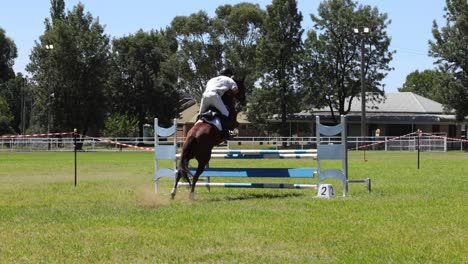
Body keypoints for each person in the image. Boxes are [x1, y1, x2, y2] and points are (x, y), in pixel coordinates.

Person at [198, 69, 238, 139]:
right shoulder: (228, 79)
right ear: (228, 75)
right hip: (214, 96)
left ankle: (194, 127)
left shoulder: (211, 79)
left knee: (200, 115)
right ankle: (226, 133)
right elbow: (235, 89)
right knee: (226, 114)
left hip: (204, 96)